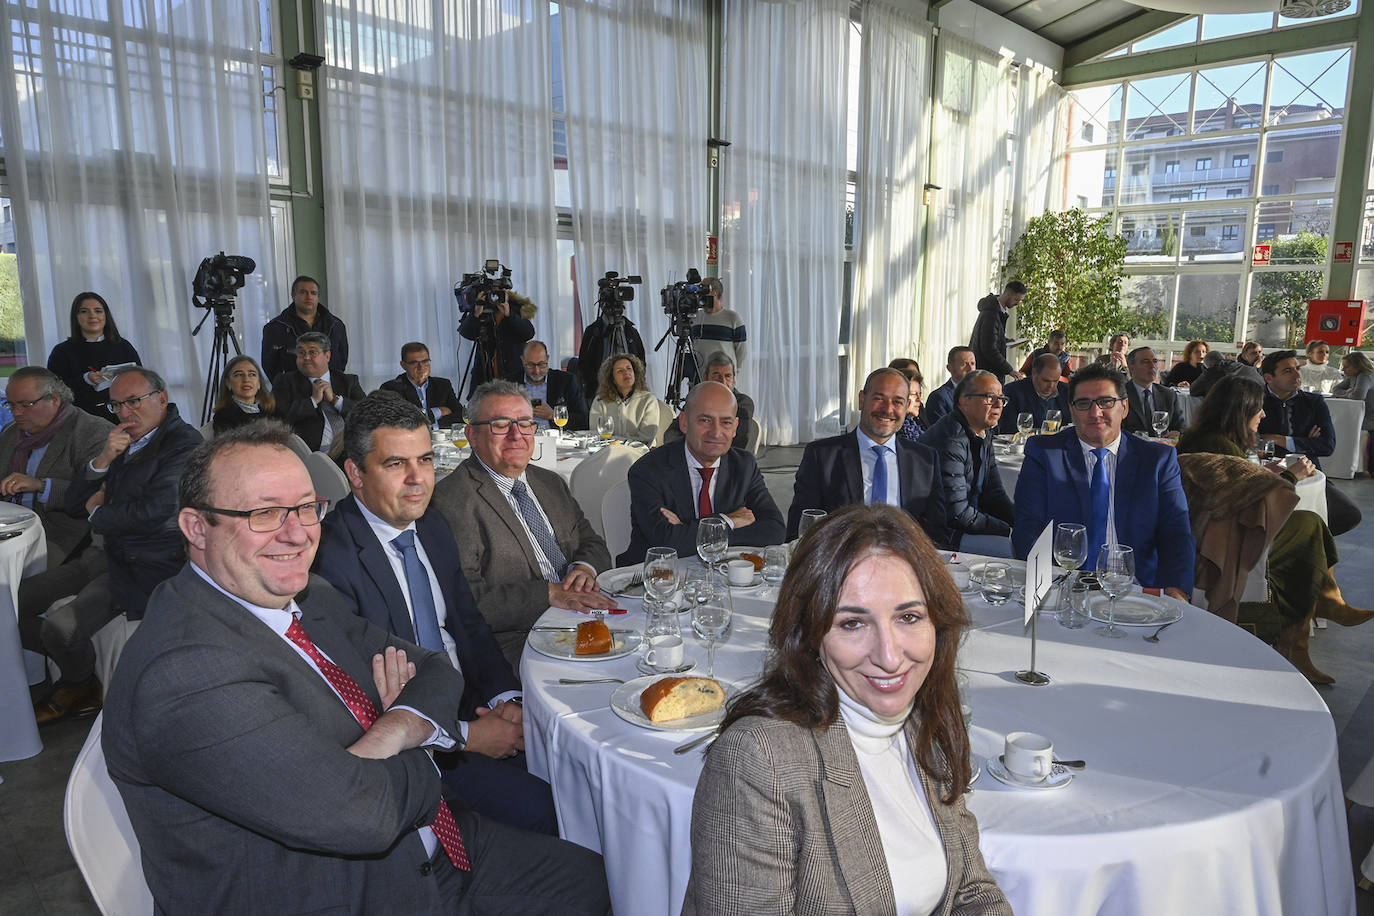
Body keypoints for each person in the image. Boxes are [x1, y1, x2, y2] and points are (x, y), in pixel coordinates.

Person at [102, 422, 611, 914]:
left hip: (439, 842)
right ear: (195, 527)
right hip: (342, 889)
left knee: (596, 881)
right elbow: (365, 817)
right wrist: (417, 738)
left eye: (305, 508)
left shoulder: (305, 596)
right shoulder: (186, 671)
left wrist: (392, 728)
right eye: (263, 513)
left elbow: (435, 668)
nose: (297, 534)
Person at [682, 504, 1011, 916]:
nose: (890, 657)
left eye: (908, 617)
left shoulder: (926, 720)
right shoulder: (760, 760)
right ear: (810, 637)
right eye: (852, 624)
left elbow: (971, 890)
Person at [316, 397, 557, 834]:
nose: (417, 480)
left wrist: (508, 699)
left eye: (425, 460)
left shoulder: (430, 524)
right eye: (395, 464)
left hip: (475, 707)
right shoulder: (330, 560)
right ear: (355, 473)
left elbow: (468, 625)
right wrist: (465, 734)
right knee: (549, 810)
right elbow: (360, 699)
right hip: (416, 745)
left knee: (582, 774)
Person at [19, 367, 200, 723]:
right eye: (116, 405)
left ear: (161, 399)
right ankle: (82, 675)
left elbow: (157, 514)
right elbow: (73, 503)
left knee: (62, 628)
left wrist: (99, 510)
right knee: (10, 604)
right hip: (101, 553)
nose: (124, 412)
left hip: (141, 564)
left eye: (134, 401)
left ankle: (77, 680)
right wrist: (102, 461)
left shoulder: (185, 445)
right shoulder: (121, 438)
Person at [1177, 375, 1369, 685]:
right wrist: (1289, 476)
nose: (1263, 415)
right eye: (1259, 409)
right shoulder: (1217, 445)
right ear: (1240, 411)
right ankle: (1305, 628)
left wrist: (1263, 475)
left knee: (1309, 530)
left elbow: (1234, 489)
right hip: (1226, 538)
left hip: (1219, 529)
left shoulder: (1205, 438)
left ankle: (1317, 615)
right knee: (1310, 527)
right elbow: (1246, 504)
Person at [432, 381, 612, 667]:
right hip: (521, 641)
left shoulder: (550, 482)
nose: (517, 435)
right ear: (472, 434)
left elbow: (594, 544)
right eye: (501, 425)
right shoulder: (451, 501)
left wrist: (584, 568)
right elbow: (466, 601)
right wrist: (549, 594)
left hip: (588, 617)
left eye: (526, 423)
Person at [1012, 363, 1195, 598]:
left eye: (1106, 402)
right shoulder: (1045, 454)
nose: (1095, 412)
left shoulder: (1157, 460)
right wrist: (1047, 587)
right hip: (1066, 586)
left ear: (1125, 407)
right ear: (1071, 409)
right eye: (1083, 403)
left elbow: (1177, 532)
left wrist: (1176, 590)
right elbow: (1028, 527)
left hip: (1136, 589)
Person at [623, 381, 784, 564]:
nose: (716, 432)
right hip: (657, 578)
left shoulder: (744, 466)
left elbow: (775, 530)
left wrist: (688, 531)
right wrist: (728, 521)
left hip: (722, 578)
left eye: (726, 422)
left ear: (735, 427)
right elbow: (666, 542)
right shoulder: (648, 470)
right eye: (705, 420)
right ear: (684, 423)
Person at [787, 367, 938, 541]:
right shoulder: (822, 457)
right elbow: (802, 528)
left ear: (906, 408)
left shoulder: (925, 460)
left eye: (897, 402)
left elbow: (936, 531)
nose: (888, 409)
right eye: (879, 398)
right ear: (861, 399)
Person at [0, 367, 112, 563]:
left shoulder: (93, 432)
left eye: (26, 404)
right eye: (10, 405)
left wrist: (40, 485)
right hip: (11, 529)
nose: (17, 413)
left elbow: (98, 496)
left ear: (54, 399)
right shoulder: (11, 432)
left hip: (63, 537)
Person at [1257, 349, 1361, 537]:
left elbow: (1327, 446)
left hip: (1309, 471)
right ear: (1269, 378)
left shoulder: (1313, 402)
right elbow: (1253, 441)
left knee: (1348, 514)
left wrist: (1282, 440)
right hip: (1266, 474)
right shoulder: (1257, 401)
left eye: (1297, 368)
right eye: (1288, 371)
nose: (1298, 374)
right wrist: (1306, 442)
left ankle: (1305, 544)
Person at [921, 371, 1015, 554]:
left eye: (1001, 398)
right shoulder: (950, 438)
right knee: (1016, 550)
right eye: (990, 397)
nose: (998, 404)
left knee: (1026, 541)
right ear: (964, 401)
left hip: (963, 526)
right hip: (941, 537)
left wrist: (1022, 523)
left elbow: (994, 493)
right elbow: (957, 514)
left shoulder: (983, 432)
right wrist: (1007, 530)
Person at [46, 291, 142, 417]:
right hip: (81, 418)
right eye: (84, 311)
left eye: (98, 311)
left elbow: (142, 381)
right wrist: (85, 379)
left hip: (123, 414)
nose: (92, 316)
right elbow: (53, 391)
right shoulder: (62, 351)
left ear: (106, 315)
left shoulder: (123, 346)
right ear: (76, 316)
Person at [272, 331, 367, 453]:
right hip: (309, 455)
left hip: (349, 451)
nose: (306, 357)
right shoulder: (284, 381)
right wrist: (313, 400)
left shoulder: (348, 381)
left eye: (312, 352)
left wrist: (336, 400)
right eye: (301, 353)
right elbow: (280, 419)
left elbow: (365, 414)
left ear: (327, 356)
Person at [260, 275, 349, 380]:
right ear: (293, 295)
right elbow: (269, 364)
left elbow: (342, 359)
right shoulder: (275, 328)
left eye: (313, 293)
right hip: (291, 392)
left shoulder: (336, 325)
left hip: (330, 389)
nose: (309, 297)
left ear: (317, 297)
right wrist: (283, 387)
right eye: (303, 292)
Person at [663, 353, 756, 451]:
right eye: (717, 376)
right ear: (706, 377)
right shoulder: (697, 399)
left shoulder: (742, 403)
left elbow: (738, 443)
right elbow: (671, 433)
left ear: (733, 378)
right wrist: (689, 453)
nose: (723, 381)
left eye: (728, 376)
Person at [458, 290, 536, 396]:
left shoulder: (515, 308)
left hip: (513, 377)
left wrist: (509, 314)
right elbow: (466, 333)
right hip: (484, 377)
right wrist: (475, 313)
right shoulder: (481, 309)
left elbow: (528, 333)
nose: (493, 297)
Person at [504, 339, 589, 431]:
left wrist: (553, 415)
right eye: (531, 365)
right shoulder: (509, 383)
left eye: (541, 364)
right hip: (519, 437)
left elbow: (583, 420)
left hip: (557, 441)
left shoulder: (566, 381)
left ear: (547, 358)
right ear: (523, 360)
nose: (536, 371)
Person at [379, 342, 465, 428]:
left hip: (442, 439)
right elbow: (396, 422)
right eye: (414, 363)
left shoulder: (443, 385)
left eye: (425, 361)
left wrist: (434, 425)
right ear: (403, 365)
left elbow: (461, 417)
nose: (421, 367)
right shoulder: (391, 389)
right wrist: (437, 412)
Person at [588, 352, 662, 445]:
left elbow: (646, 437)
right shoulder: (601, 400)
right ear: (612, 379)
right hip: (607, 451)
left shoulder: (648, 400)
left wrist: (618, 442)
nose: (626, 373)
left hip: (639, 453)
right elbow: (596, 433)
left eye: (629, 368)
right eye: (620, 371)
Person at [576, 305, 646, 402]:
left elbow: (641, 362)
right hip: (599, 391)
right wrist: (592, 384)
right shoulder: (593, 331)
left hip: (630, 393)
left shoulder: (630, 331)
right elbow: (584, 364)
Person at [688, 277, 747, 379]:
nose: (699, 293)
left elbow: (741, 351)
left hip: (723, 379)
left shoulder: (733, 318)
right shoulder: (695, 317)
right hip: (699, 379)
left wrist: (732, 374)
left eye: (704, 289)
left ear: (715, 292)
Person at [997, 352, 1070, 434]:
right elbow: (1007, 431)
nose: (1051, 385)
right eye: (1046, 380)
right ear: (1034, 373)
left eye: (1056, 380)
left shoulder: (1068, 391)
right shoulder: (1012, 392)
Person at [969, 280, 1026, 380]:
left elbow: (989, 335)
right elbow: (989, 349)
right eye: (1016, 299)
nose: (1018, 303)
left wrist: (1004, 340)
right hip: (986, 372)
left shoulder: (995, 310)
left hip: (986, 370)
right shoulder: (992, 314)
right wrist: (1010, 370)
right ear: (1008, 294)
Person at [1122, 346, 1185, 437]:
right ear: (1132, 368)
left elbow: (1181, 427)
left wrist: (1178, 433)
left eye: (1155, 361)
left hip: (1162, 446)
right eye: (1145, 362)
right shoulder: (1121, 394)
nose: (1152, 366)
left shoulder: (1168, 395)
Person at [210, 355, 276, 435]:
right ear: (228, 383)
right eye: (239, 375)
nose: (246, 379)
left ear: (259, 383)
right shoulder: (223, 417)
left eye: (252, 374)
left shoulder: (272, 411)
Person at [1332, 350, 1374, 473]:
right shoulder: (1353, 376)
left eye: (1347, 366)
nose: (1344, 370)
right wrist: (1346, 393)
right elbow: (1336, 389)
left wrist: (1344, 395)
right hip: (1360, 414)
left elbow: (1358, 396)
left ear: (1357, 366)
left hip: (1369, 418)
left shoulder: (1365, 375)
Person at [923, 346, 977, 427]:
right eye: (964, 364)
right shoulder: (939, 397)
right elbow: (942, 432)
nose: (970, 368)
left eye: (973, 364)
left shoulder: (980, 393)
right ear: (949, 368)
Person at [1191, 348, 1260, 400]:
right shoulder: (1248, 368)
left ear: (1209, 366)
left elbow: (1194, 390)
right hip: (1257, 405)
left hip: (1230, 412)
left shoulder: (1211, 372)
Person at [890, 361, 926, 441]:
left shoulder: (918, 423)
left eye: (920, 394)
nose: (919, 399)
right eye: (913, 394)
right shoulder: (895, 430)